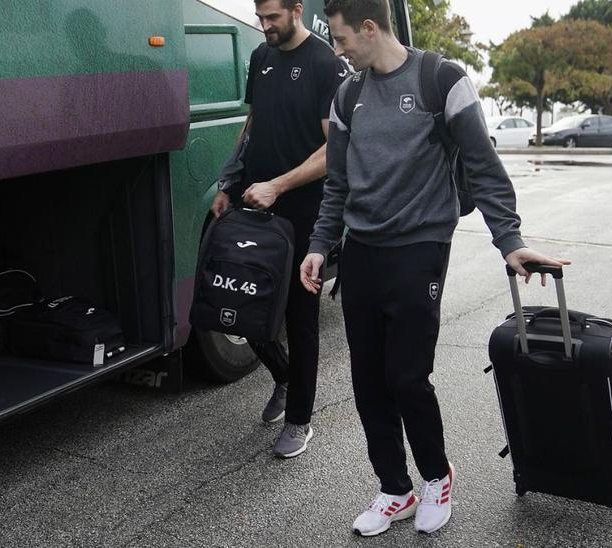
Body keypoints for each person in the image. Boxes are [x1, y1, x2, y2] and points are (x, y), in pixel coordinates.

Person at [300, 0, 570, 536]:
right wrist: (320, 243)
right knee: (367, 380)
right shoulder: (348, 93)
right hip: (362, 253)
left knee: (406, 375)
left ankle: (435, 476)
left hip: (420, 248)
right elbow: (338, 184)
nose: (337, 49)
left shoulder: (442, 80)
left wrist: (509, 241)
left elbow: (482, 166)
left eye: (340, 38)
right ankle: (394, 488)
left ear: (370, 27)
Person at [212, 0, 349, 459]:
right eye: (259, 16)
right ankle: (285, 376)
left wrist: (278, 185)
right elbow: (252, 126)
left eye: (273, 17)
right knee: (240, 301)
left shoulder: (325, 63)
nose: (264, 25)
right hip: (255, 205)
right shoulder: (260, 57)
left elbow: (335, 150)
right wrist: (228, 182)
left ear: (296, 9)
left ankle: (300, 420)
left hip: (304, 212)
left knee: (299, 318)